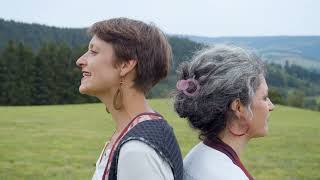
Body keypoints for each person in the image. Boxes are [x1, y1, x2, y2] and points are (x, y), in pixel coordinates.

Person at [76, 17, 183, 180]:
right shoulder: (138, 133)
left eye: (94, 51)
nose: (80, 61)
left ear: (125, 65)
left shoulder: (137, 151)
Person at [173, 45, 274, 180]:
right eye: (264, 98)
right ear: (238, 107)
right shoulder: (226, 174)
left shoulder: (200, 155)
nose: (271, 106)